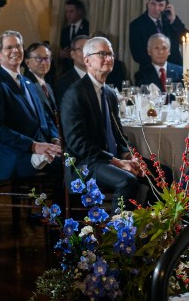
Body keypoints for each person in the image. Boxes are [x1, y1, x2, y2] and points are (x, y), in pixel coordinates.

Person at [60, 37, 140, 206]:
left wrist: (130, 155)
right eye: (102, 54)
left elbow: (119, 134)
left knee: (161, 173)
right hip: (85, 165)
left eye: (111, 54)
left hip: (109, 160)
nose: (109, 58)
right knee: (128, 181)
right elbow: (78, 144)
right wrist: (118, 162)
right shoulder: (75, 94)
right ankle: (116, 230)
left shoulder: (109, 93)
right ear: (87, 60)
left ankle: (150, 227)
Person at [0, 32, 61, 184]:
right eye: (9, 47)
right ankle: (60, 208)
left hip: (41, 150)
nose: (15, 51)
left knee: (75, 161)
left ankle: (62, 208)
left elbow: (45, 118)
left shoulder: (28, 82)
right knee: (69, 168)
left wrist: (55, 139)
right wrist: (33, 146)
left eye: (18, 46)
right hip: (16, 156)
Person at [128, 0, 188, 70]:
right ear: (148, 4)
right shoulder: (136, 25)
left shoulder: (171, 20)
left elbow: (188, 41)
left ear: (166, 6)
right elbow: (137, 55)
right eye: (153, 4)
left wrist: (173, 20)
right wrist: (161, 63)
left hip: (175, 69)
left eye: (160, 5)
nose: (156, 8)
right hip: (150, 72)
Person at [24, 42, 58, 128]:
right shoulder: (25, 85)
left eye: (47, 58)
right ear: (27, 62)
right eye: (38, 58)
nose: (43, 63)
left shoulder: (48, 85)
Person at [57, 0, 90, 75]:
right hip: (68, 70)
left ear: (79, 12)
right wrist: (61, 54)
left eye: (71, 11)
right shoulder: (65, 30)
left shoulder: (88, 27)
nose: (68, 14)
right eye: (66, 12)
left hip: (84, 68)